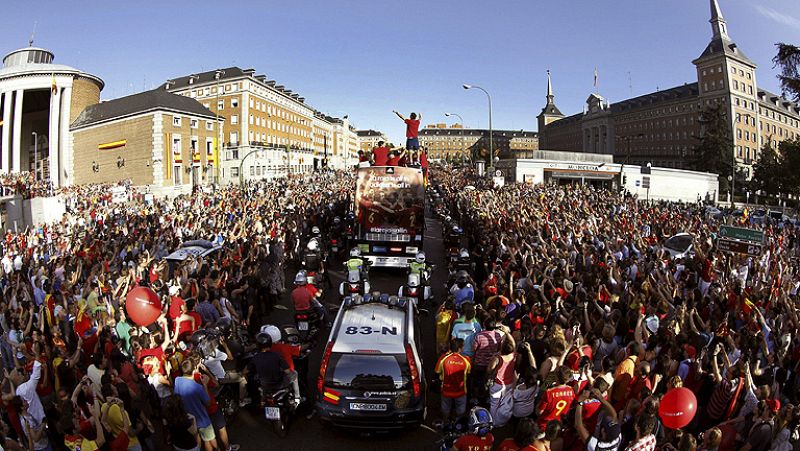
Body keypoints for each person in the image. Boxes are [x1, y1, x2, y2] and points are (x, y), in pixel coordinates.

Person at [173, 355, 217, 451]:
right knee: (209, 439)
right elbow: (208, 403)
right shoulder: (198, 387)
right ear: (194, 370)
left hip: (188, 419)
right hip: (202, 419)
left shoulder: (177, 380)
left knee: (196, 442)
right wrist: (205, 385)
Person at [435, 338, 471, 421]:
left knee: (445, 409)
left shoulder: (443, 359)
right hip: (461, 391)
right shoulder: (466, 360)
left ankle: (446, 422)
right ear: (459, 349)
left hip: (446, 391)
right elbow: (468, 373)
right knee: (460, 411)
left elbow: (437, 371)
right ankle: (458, 423)